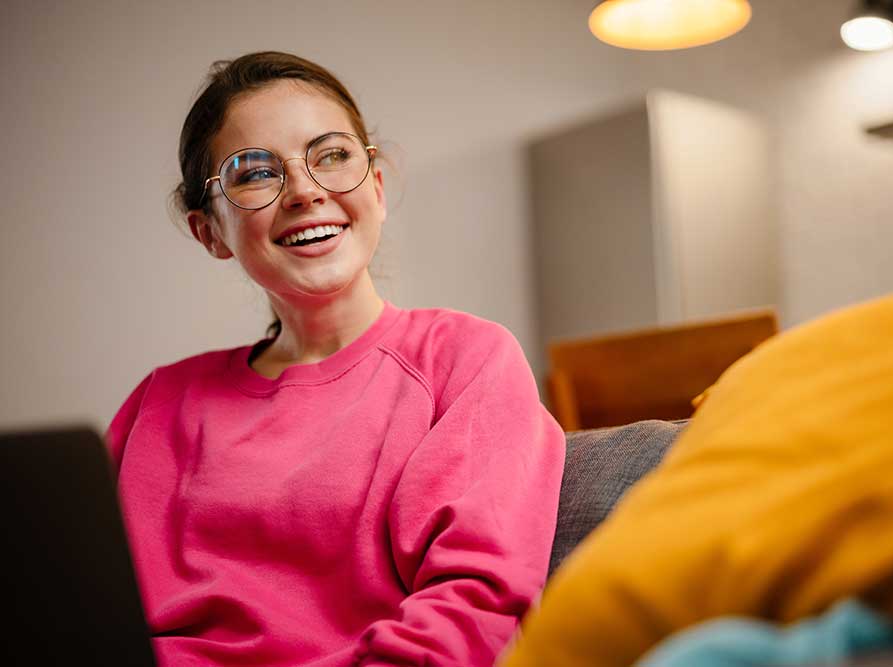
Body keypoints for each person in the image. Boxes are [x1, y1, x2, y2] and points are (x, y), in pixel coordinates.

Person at [105, 51, 566, 667]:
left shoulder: (464, 359)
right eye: (254, 172)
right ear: (209, 231)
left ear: (374, 185)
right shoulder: (158, 405)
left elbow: (477, 604)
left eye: (331, 155)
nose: (304, 190)